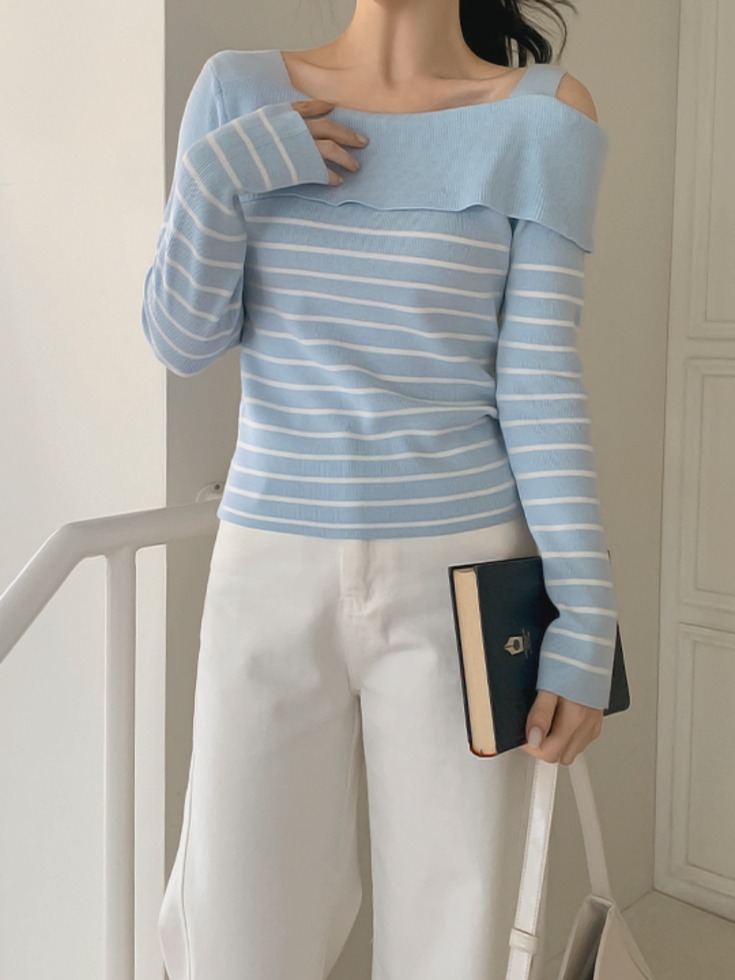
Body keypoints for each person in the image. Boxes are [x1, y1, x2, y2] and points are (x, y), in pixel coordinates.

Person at [140, 2, 616, 977]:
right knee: (236, 924)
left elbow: (537, 384)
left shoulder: (545, 114)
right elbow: (182, 342)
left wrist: (587, 614)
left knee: (457, 928)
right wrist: (213, 179)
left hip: (464, 575)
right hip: (267, 565)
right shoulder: (238, 92)